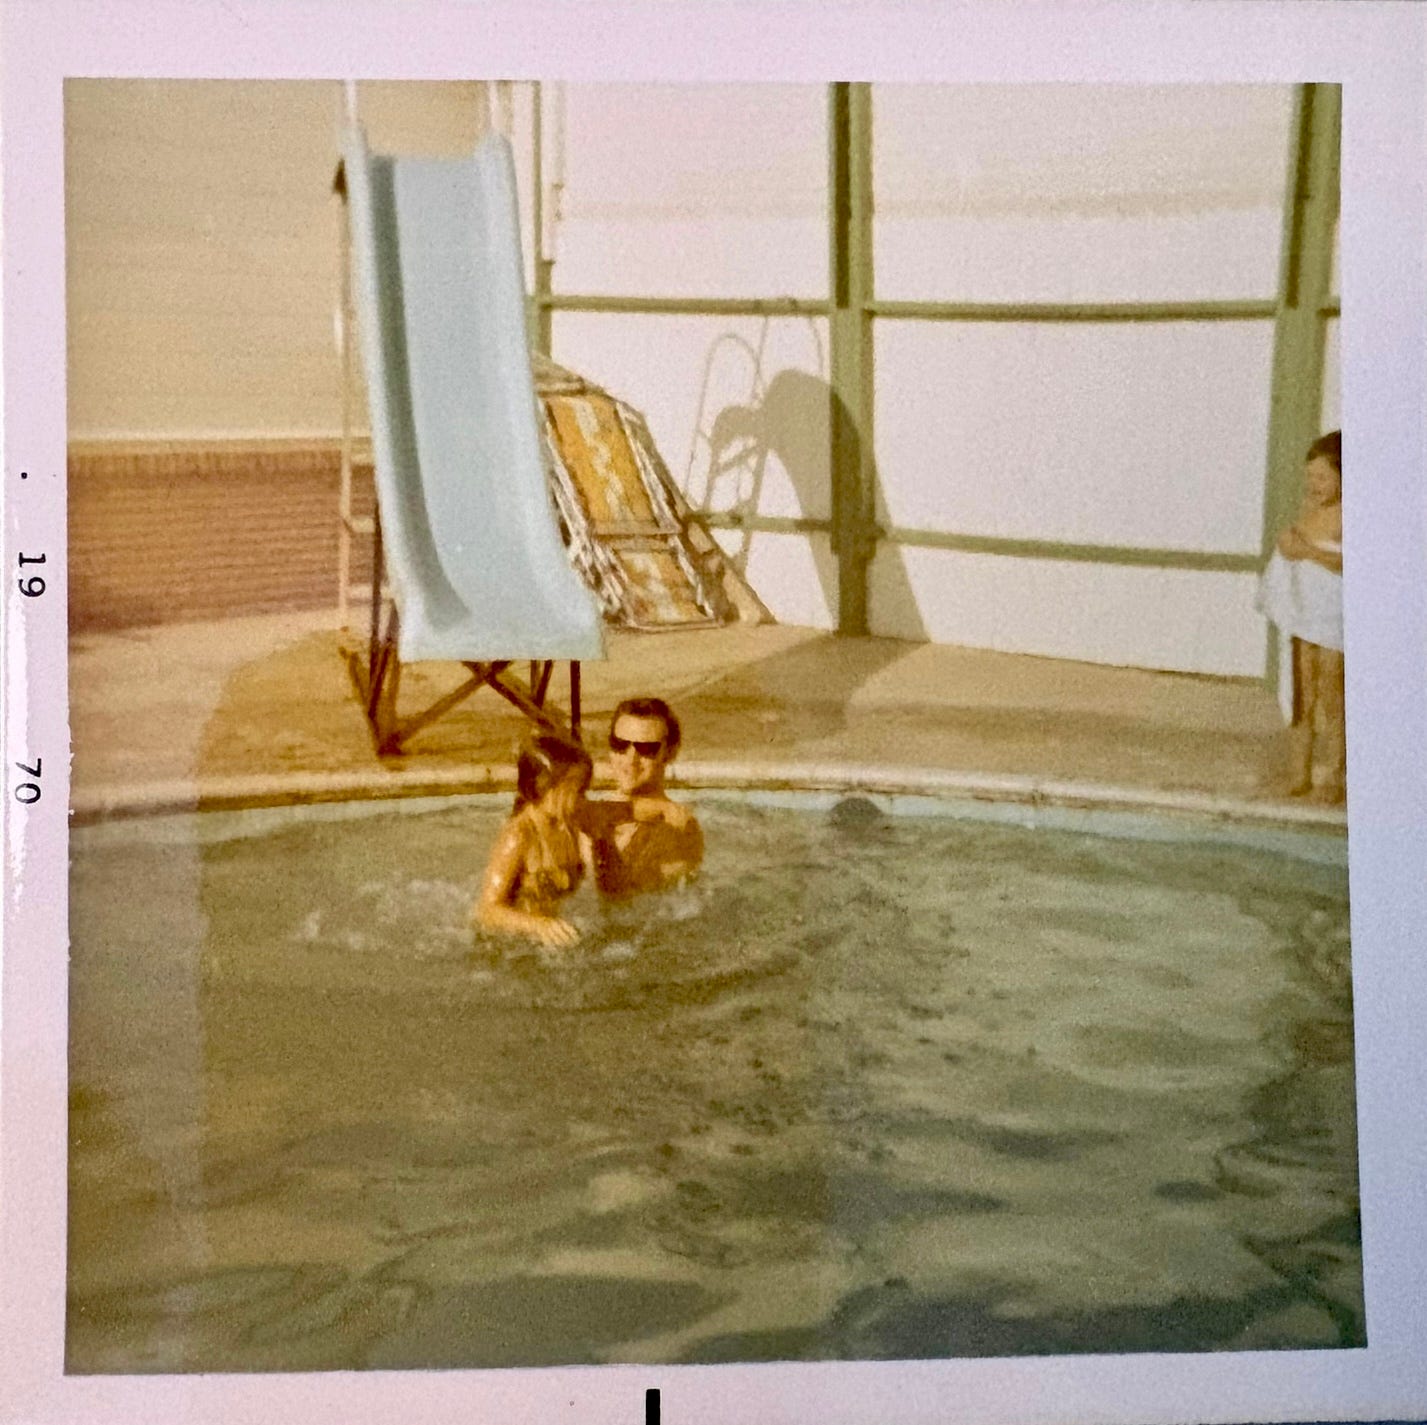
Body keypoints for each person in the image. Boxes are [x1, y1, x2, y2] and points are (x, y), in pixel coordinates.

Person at [1256, 430, 1345, 803]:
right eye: (1310, 477)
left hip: (1333, 624)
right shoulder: (1311, 509)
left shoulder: (1350, 514)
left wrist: (1307, 551)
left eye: (1322, 477)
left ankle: (1336, 774)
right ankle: (1300, 772)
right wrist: (1288, 541)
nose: (1314, 484)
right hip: (1304, 617)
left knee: (1333, 696)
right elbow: (1295, 541)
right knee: (1301, 694)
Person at [473, 732, 594, 946]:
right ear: (545, 787)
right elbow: (487, 911)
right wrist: (538, 925)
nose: (584, 799)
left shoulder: (570, 826)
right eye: (578, 790)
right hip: (511, 943)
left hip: (551, 935)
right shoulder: (520, 836)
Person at [583, 697, 704, 898]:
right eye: (620, 745)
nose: (630, 759)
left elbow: (625, 901)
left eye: (646, 749)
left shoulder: (679, 828)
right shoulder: (583, 809)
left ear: (670, 753)